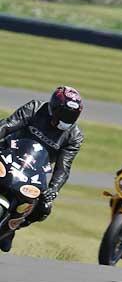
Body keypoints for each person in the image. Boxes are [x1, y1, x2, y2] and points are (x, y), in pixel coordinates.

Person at [0, 86, 84, 252]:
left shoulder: (74, 136)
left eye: (73, 115)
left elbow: (63, 167)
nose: (68, 118)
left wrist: (54, 189)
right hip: (7, 153)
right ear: (53, 107)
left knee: (44, 208)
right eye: (65, 113)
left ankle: (11, 227)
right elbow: (8, 125)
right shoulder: (35, 108)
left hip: (33, 172)